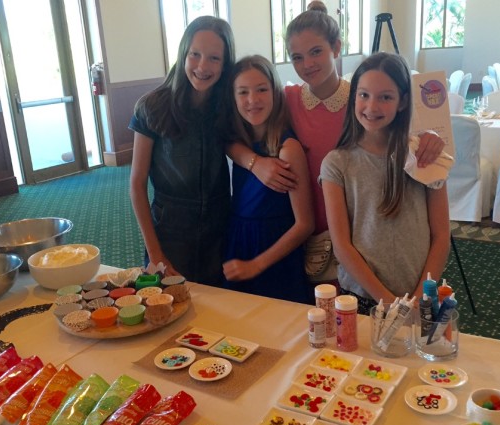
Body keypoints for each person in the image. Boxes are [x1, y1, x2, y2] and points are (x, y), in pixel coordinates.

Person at [228, 3, 444, 286]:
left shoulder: (363, 101)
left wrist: (432, 137)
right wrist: (254, 163)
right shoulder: (288, 99)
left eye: (316, 52)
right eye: (297, 57)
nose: (308, 64)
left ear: (337, 48)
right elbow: (236, 135)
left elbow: (406, 131)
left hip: (364, 231)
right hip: (307, 231)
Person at [319, 52, 451, 315]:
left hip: (419, 294)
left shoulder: (424, 156)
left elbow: (441, 235)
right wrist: (390, 302)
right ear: (353, 96)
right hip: (362, 298)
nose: (372, 106)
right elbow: (342, 246)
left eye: (385, 97)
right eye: (364, 94)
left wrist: (419, 297)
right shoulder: (337, 163)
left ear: (402, 102)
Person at [129, 16, 235, 286]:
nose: (202, 66)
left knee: (220, 312)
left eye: (214, 58)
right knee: (167, 310)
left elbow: (238, 146)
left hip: (219, 228)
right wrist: (156, 254)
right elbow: (137, 183)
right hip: (170, 229)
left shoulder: (228, 104)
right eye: (195, 55)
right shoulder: (152, 106)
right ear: (183, 54)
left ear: (225, 64)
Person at [222, 55, 314, 303]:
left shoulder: (287, 148)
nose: (253, 100)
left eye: (261, 89)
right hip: (239, 243)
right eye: (243, 92)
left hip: (274, 255)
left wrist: (257, 265)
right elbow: (229, 143)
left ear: (275, 92)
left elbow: (305, 224)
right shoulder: (239, 142)